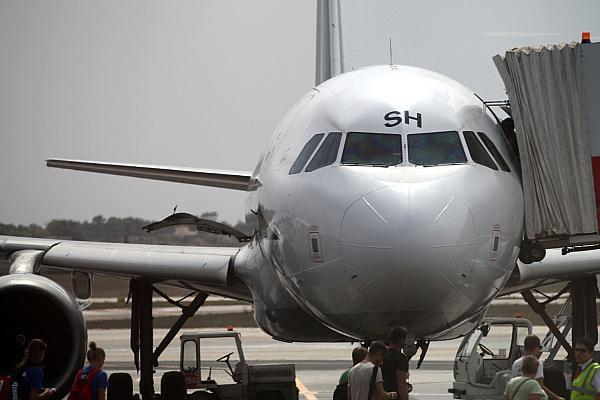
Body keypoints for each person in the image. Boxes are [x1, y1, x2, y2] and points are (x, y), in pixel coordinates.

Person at [512, 335, 563, 400]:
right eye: (540, 347)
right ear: (536, 348)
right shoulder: (537, 363)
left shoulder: (516, 363)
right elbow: (540, 386)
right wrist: (558, 398)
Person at [382, 326, 409, 400]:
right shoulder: (400, 358)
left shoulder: (381, 356)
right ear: (402, 340)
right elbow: (401, 384)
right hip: (394, 396)